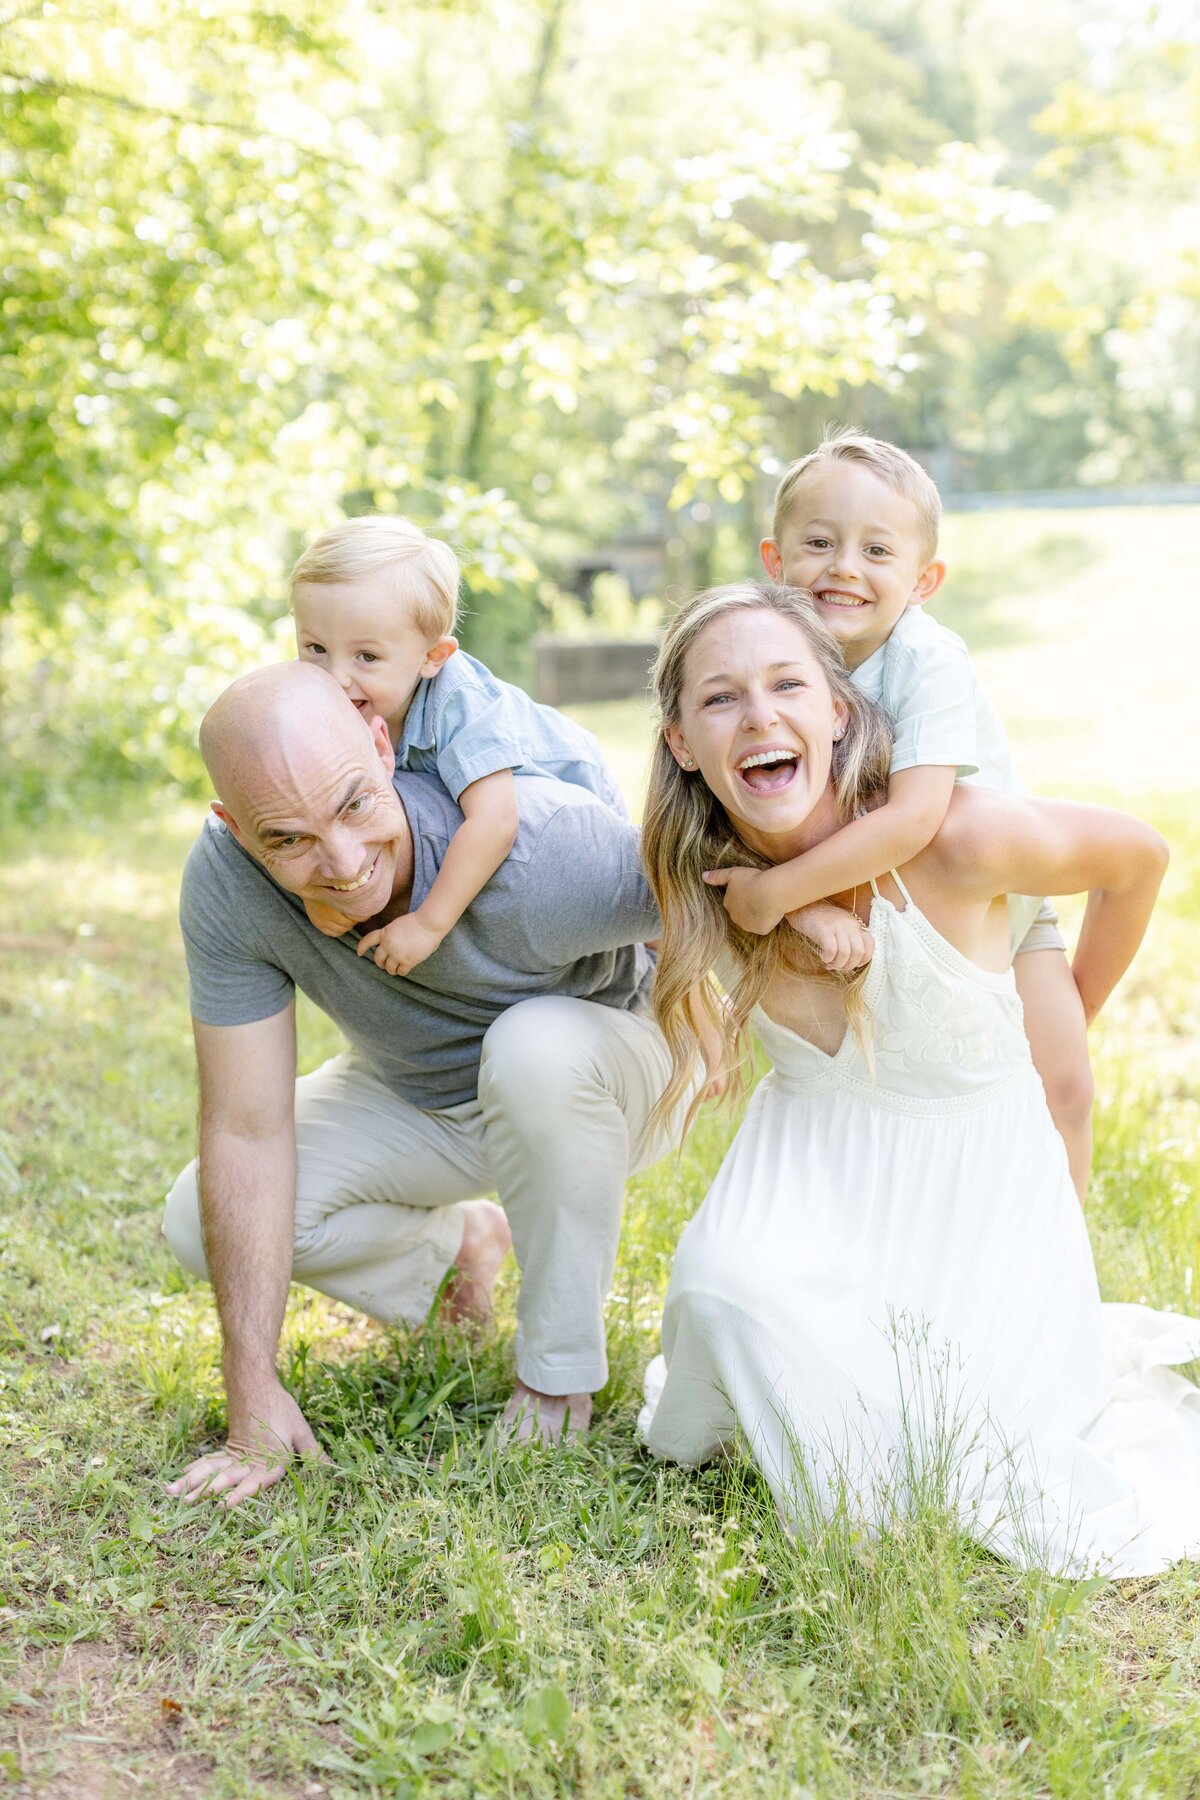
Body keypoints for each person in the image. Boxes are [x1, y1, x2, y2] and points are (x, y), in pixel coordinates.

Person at [638, 580, 1200, 1577]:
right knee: (722, 1292)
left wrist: (1060, 1013)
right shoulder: (697, 869)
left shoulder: (954, 838)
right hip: (812, 1164)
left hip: (976, 1184)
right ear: (682, 741)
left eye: (786, 685)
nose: (760, 715)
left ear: (838, 710)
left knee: (957, 1443)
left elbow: (1141, 860)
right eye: (721, 699)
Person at [162, 660, 681, 1506]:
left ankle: (556, 1380)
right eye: (286, 840)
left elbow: (722, 893)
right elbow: (243, 1129)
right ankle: (460, 1255)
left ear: (381, 743)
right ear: (234, 826)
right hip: (424, 1091)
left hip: (602, 1079)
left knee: (534, 1046)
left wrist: (707, 1023)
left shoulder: (541, 848)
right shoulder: (227, 882)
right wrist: (247, 1386)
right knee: (196, 1218)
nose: (341, 863)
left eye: (354, 804)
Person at [703, 432, 1094, 1202]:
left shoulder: (927, 660)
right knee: (896, 1101)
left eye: (877, 551)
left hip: (995, 909)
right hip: (885, 915)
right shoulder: (771, 661)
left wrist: (783, 894)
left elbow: (917, 819)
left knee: (1064, 1087)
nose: (844, 566)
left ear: (923, 580)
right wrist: (802, 904)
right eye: (820, 542)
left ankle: (1059, 1260)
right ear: (775, 561)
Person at [289, 514, 626, 977]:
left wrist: (428, 924)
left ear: (432, 657)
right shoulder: (333, 701)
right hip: (503, 817)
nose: (335, 676)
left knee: (646, 927)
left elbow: (496, 821)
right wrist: (317, 893)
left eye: (366, 656)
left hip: (573, 790)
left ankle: (689, 1013)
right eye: (315, 648)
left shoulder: (457, 701)